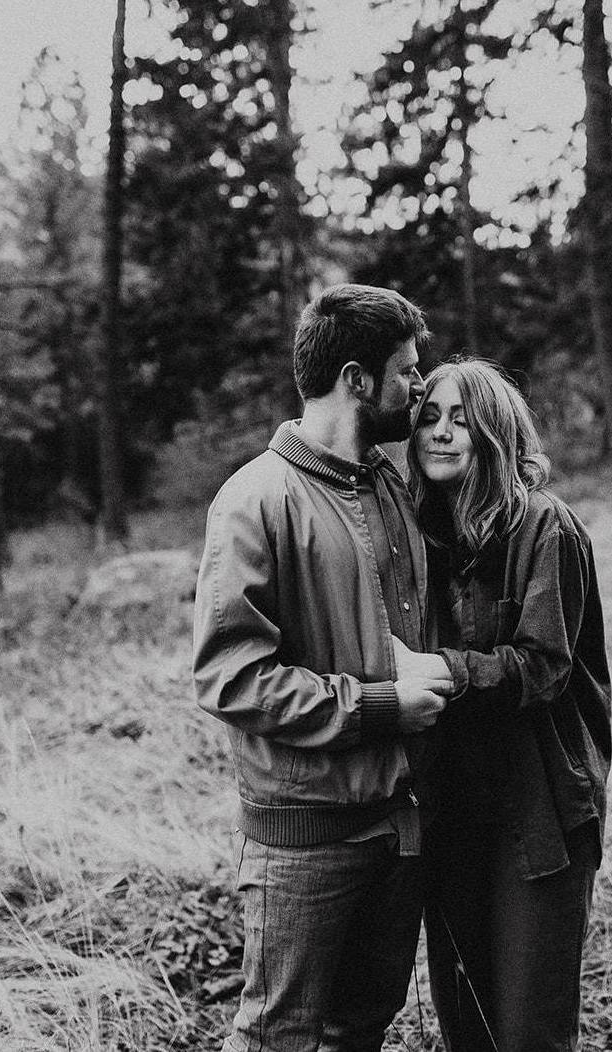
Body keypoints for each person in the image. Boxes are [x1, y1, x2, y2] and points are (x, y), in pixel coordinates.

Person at [192, 283, 453, 1052]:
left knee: (359, 1030)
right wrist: (382, 706)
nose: (420, 386)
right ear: (356, 380)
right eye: (407, 370)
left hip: (397, 822)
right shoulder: (255, 500)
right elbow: (231, 676)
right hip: (304, 842)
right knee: (277, 1037)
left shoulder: (391, 486)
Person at [396, 358, 612, 1052]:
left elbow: (542, 666)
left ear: (496, 434)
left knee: (527, 1033)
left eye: (462, 421)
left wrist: (441, 670)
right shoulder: (417, 540)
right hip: (451, 809)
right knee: (469, 1026)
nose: (441, 432)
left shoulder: (546, 527)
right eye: (429, 418)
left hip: (539, 812)